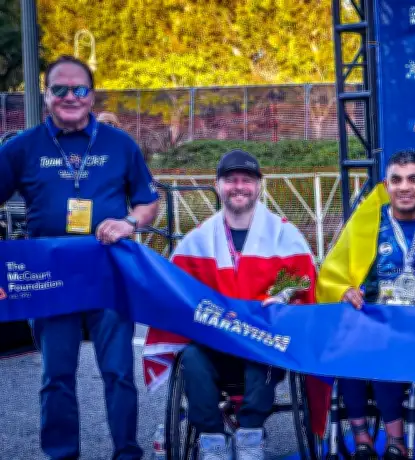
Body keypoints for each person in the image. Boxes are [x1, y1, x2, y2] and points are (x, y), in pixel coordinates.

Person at [0, 55, 159, 459]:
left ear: (92, 95)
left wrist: (128, 222)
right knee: (56, 376)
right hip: (48, 278)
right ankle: (61, 455)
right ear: (46, 94)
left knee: (119, 373)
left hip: (108, 272)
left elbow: (147, 203)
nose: (70, 96)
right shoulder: (21, 147)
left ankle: (127, 453)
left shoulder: (120, 144)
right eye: (60, 89)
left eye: (80, 89)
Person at [143, 149, 318, 460]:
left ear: (259, 186)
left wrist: (280, 295)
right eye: (231, 180)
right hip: (216, 343)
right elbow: (174, 290)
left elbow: (301, 278)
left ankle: (250, 434)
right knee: (192, 356)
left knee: (268, 351)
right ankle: (212, 440)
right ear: (218, 185)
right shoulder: (198, 239)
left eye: (247, 180)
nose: (239, 186)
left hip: (263, 342)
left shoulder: (283, 233)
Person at [316, 150, 415, 460]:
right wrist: (344, 290)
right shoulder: (368, 220)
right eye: (397, 180)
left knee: (377, 342)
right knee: (351, 337)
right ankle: (362, 438)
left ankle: (395, 440)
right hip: (378, 324)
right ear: (386, 185)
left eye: (413, 180)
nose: (405, 187)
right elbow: (334, 274)